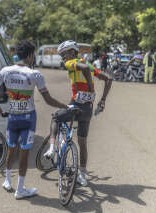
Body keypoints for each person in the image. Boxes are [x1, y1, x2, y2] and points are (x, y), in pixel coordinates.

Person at [0, 40, 68, 199]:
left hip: (12, 118)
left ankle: (7, 181)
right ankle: (20, 189)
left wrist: (0, 111)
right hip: (28, 119)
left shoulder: (5, 71)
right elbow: (48, 100)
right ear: (30, 55)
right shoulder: (34, 74)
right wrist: (64, 105)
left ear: (18, 54)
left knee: (11, 149)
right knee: (24, 154)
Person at [43, 40, 113, 186]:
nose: (63, 58)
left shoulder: (71, 63)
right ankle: (82, 175)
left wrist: (90, 87)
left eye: (64, 54)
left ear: (72, 52)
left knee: (56, 118)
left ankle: (51, 149)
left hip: (76, 106)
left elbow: (84, 70)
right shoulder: (89, 64)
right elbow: (108, 79)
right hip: (87, 109)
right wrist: (102, 100)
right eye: (62, 55)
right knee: (82, 142)